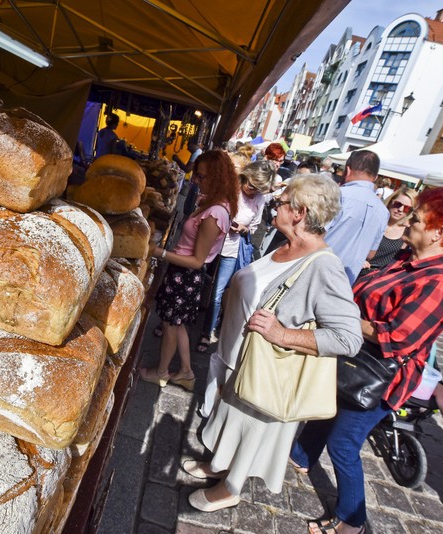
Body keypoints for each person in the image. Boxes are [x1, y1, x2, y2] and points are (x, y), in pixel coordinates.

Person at [291, 188, 443, 534]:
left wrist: (342, 317)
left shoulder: (440, 281)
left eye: (419, 218)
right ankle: (301, 456)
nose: (410, 220)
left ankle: (352, 521)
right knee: (325, 407)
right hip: (356, 356)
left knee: (344, 444)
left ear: (440, 233)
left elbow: (396, 337)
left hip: (381, 376)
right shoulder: (408, 259)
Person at [185, 174, 362, 511]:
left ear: (300, 212)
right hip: (236, 355)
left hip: (265, 370)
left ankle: (229, 488)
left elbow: (348, 338)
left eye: (282, 202)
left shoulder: (324, 266)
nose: (275, 206)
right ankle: (217, 465)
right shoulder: (284, 245)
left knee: (247, 428)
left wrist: (283, 334)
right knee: (227, 420)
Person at [139, 150, 239, 390]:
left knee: (170, 325)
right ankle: (186, 372)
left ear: (217, 178)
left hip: (185, 275)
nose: (195, 180)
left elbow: (197, 261)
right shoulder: (214, 204)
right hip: (182, 274)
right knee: (179, 324)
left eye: (201, 177)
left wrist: (158, 252)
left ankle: (161, 372)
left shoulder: (216, 213)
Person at [196, 160, 275, 353]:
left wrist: (244, 228)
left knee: (218, 293)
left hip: (231, 248)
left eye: (258, 189)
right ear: (246, 176)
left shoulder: (259, 200)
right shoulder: (230, 186)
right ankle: (179, 318)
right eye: (251, 185)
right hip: (209, 241)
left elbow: (254, 227)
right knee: (196, 280)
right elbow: (205, 202)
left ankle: (207, 332)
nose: (252, 190)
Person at [324, 150, 390, 283]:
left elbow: (312, 233)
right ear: (375, 177)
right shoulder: (383, 211)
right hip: (345, 283)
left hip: (316, 269)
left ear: (347, 170)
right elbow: (371, 254)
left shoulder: (337, 194)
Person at [358, 187, 417, 278]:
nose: (400, 209)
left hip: (381, 280)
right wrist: (359, 260)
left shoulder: (407, 233)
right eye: (398, 204)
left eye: (406, 208)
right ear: (390, 202)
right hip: (358, 272)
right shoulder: (374, 222)